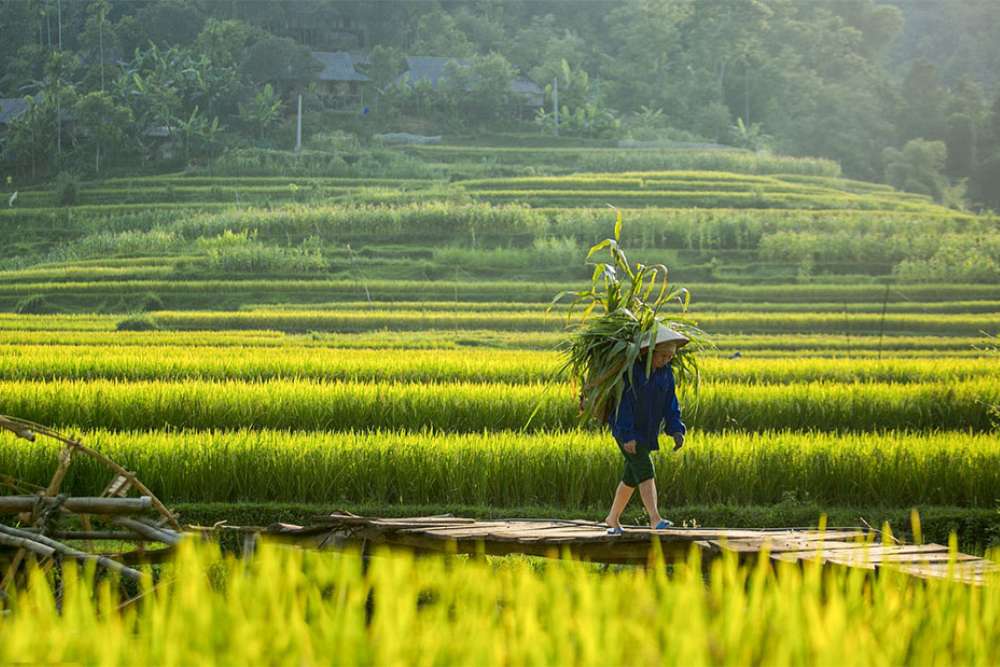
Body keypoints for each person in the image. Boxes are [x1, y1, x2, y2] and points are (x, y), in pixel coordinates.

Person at [604, 324, 689, 535]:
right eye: (663, 356)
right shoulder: (633, 372)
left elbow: (671, 403)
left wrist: (676, 429)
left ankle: (612, 519)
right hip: (627, 432)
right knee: (645, 468)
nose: (666, 360)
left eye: (670, 357)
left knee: (631, 477)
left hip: (648, 432)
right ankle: (655, 518)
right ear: (648, 352)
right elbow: (623, 405)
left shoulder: (666, 374)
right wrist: (628, 435)